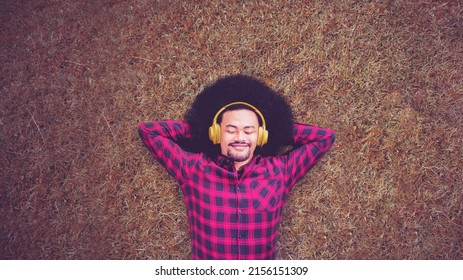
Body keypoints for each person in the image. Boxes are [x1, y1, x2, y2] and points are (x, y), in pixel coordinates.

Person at [138, 75, 335, 259]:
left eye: (249, 131)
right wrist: (200, 129)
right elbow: (149, 132)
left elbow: (324, 138)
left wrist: (275, 130)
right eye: (230, 130)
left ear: (260, 136)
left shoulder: (281, 171)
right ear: (216, 134)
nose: (240, 137)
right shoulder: (193, 169)